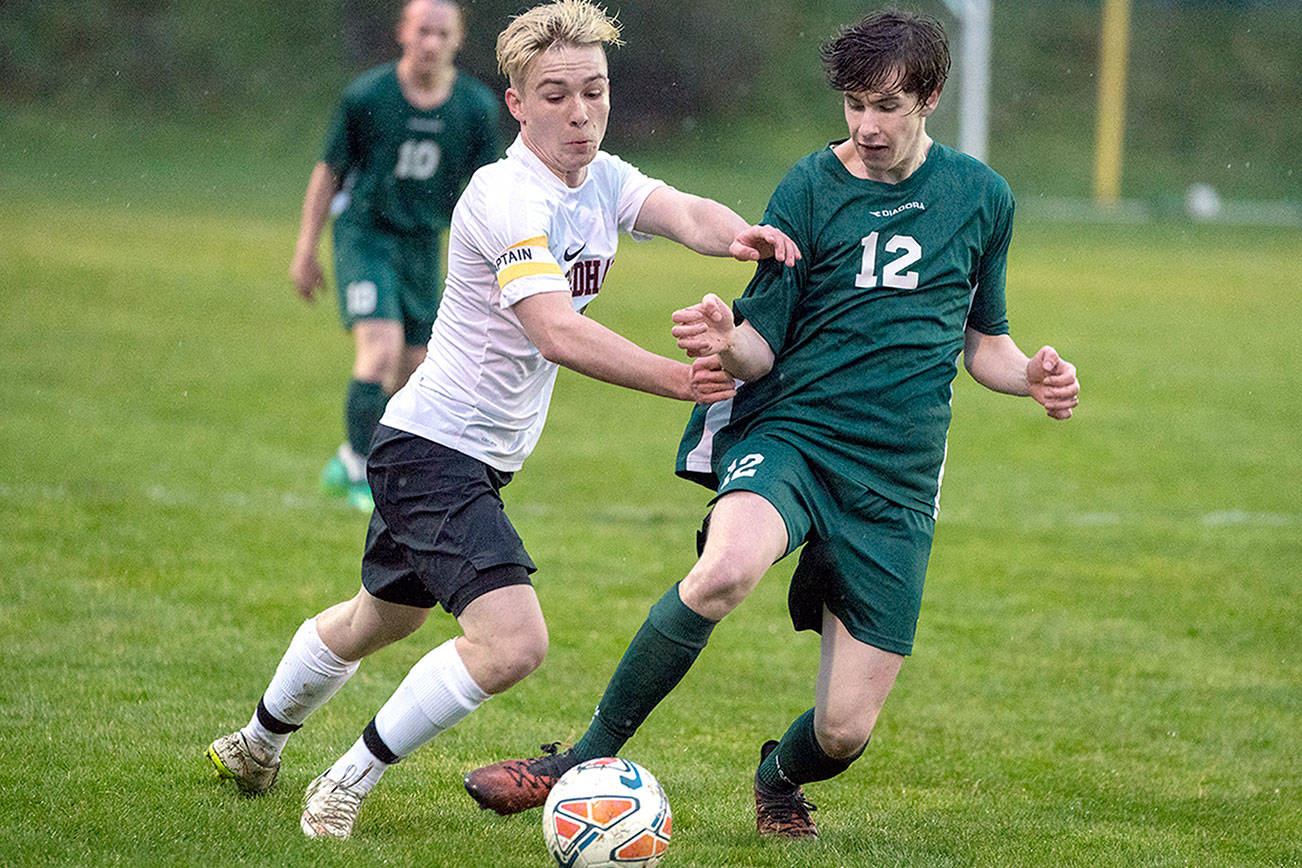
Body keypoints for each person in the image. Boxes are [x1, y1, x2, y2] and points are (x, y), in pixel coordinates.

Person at [463, 8, 1081, 840]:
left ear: (929, 98)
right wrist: (727, 338)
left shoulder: (981, 199)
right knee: (726, 568)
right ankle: (577, 758)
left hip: (896, 479)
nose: (866, 126)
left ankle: (779, 778)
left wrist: (1032, 378)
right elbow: (759, 347)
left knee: (844, 731)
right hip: (793, 437)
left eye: (887, 106)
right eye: (855, 104)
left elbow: (985, 346)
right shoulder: (809, 187)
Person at [206, 0, 799, 841]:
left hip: (467, 457)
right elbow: (555, 330)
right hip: (430, 450)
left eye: (594, 90)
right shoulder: (504, 195)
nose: (581, 112)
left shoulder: (601, 177)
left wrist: (744, 236)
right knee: (512, 642)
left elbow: (680, 211)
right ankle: (345, 781)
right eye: (555, 94)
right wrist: (683, 380)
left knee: (381, 617)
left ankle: (256, 744)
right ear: (516, 103)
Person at [292, 0, 502, 512]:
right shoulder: (368, 96)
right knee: (380, 352)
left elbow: (486, 191)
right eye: (422, 31)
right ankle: (365, 476)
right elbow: (329, 171)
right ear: (402, 34)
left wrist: (499, 259)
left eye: (442, 33)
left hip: (422, 245)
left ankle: (348, 459)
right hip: (365, 237)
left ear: (458, 40)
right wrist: (306, 249)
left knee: (416, 367)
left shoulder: (475, 108)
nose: (431, 43)